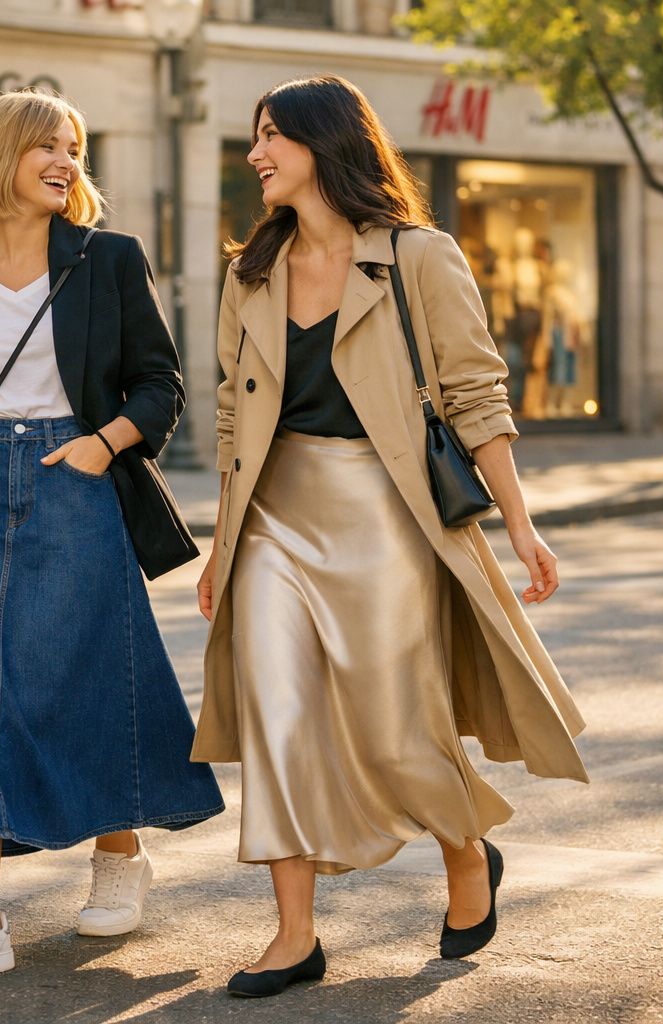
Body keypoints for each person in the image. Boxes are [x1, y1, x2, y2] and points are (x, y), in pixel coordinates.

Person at [192, 75, 588, 998]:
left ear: (325, 142)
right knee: (278, 717)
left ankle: (466, 852)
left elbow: (476, 395)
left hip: (385, 508)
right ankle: (294, 934)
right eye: (255, 137)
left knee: (398, 719)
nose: (256, 154)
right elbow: (232, 418)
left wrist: (520, 524)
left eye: (272, 136)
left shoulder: (418, 256)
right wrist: (223, 541)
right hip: (271, 516)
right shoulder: (251, 274)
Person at [0, 89, 224, 985]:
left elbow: (160, 385)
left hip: (74, 476)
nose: (65, 161)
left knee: (88, 675)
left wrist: (101, 445)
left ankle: (118, 856)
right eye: (46, 145)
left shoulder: (107, 258)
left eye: (72, 148)